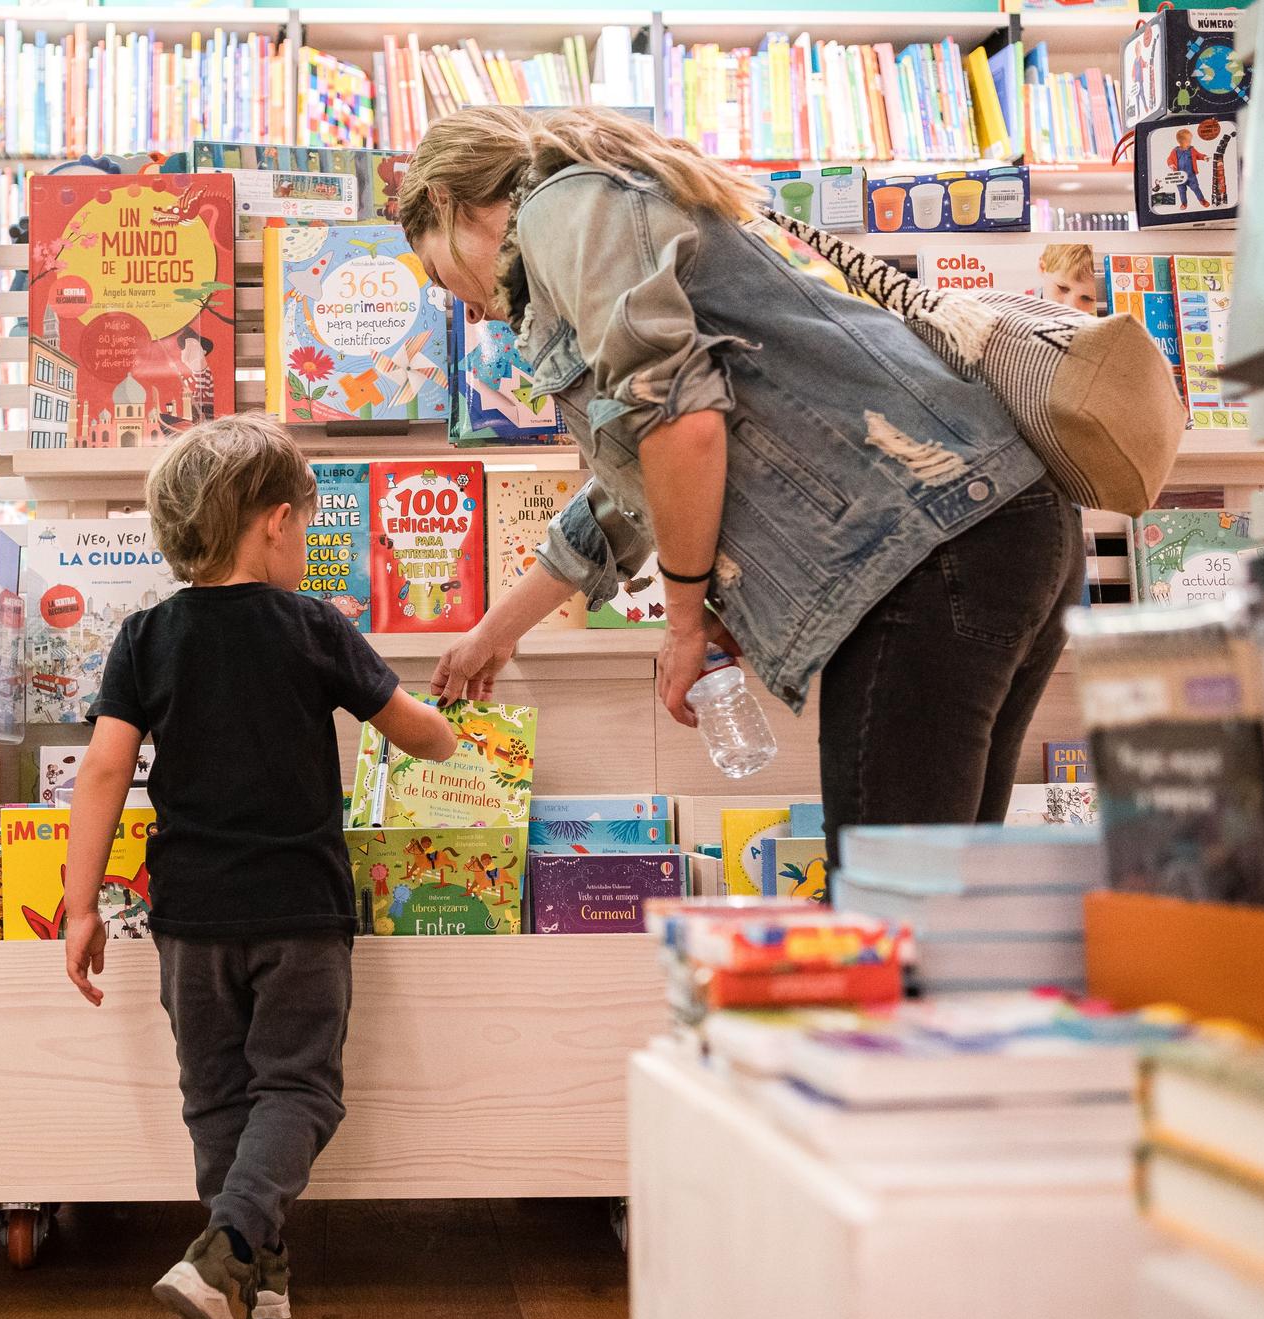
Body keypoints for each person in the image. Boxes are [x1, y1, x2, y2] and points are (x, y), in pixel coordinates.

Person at [400, 106, 1083, 860]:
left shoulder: (561, 208)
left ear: (445, 201)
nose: (466, 308)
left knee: (894, 912)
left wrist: (686, 622)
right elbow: (632, 492)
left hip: (934, 552)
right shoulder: (613, 205)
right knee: (943, 910)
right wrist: (493, 636)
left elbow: (681, 427)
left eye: (438, 272)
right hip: (994, 527)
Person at [62, 414, 454, 1319]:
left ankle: (256, 1278)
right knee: (301, 1088)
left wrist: (80, 906)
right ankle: (234, 1245)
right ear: (274, 523)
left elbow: (104, 772)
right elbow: (415, 731)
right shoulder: (315, 625)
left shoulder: (145, 636)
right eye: (307, 528)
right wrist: (450, 724)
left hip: (191, 918)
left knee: (217, 1095)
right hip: (298, 912)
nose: (306, 544)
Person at [1034, 243, 1100, 315]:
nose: (1071, 307)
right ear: (1042, 267)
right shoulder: (1022, 308)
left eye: (1087, 298)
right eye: (1062, 288)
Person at [1170, 129, 1211, 207]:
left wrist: (1204, 157)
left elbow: (1198, 155)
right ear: (1181, 141)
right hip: (1179, 176)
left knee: (1196, 188)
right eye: (1188, 140)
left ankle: (1202, 200)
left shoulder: (1192, 150)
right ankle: (1184, 203)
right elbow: (1169, 159)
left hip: (1191, 175)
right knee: (1181, 190)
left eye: (1190, 140)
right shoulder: (1175, 151)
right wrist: (1171, 164)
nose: (1190, 142)